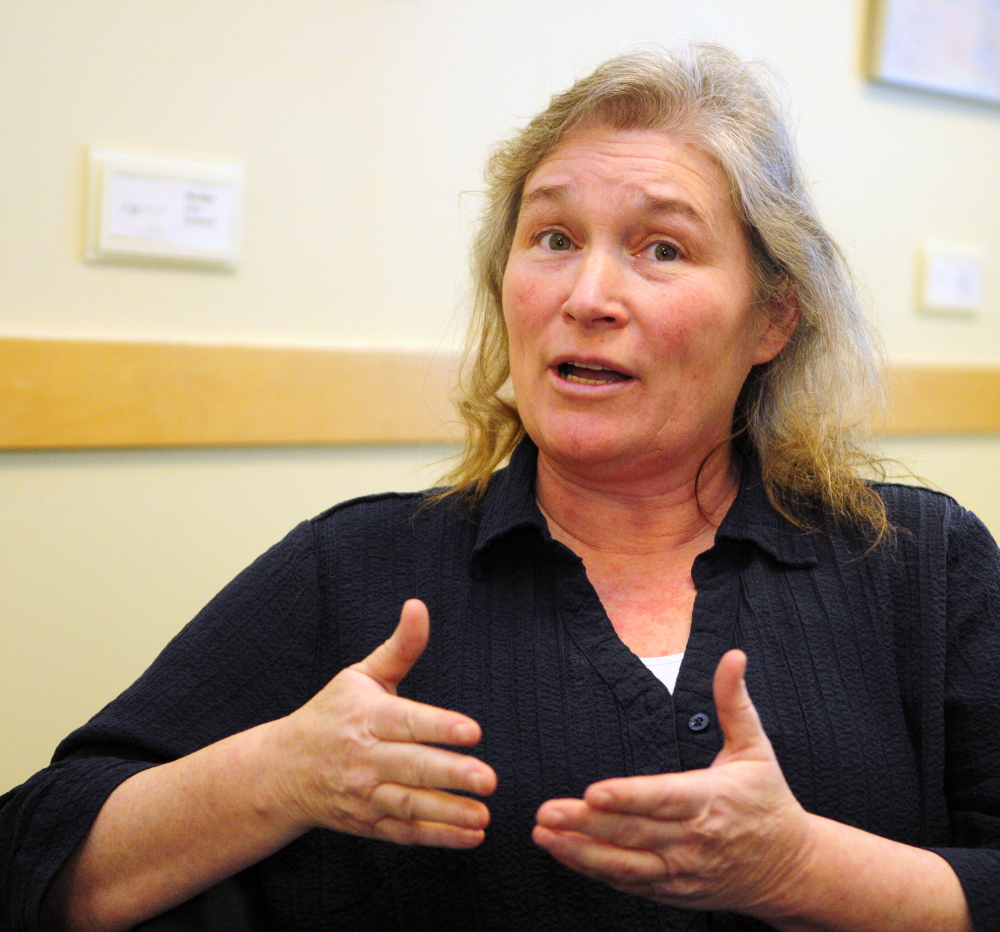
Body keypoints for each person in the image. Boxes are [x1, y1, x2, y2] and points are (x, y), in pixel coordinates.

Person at [2, 42, 999, 932]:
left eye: (661, 247)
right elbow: (36, 851)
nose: (586, 296)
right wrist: (281, 771)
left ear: (772, 317)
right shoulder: (354, 568)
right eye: (553, 238)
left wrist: (804, 868)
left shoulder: (921, 562)